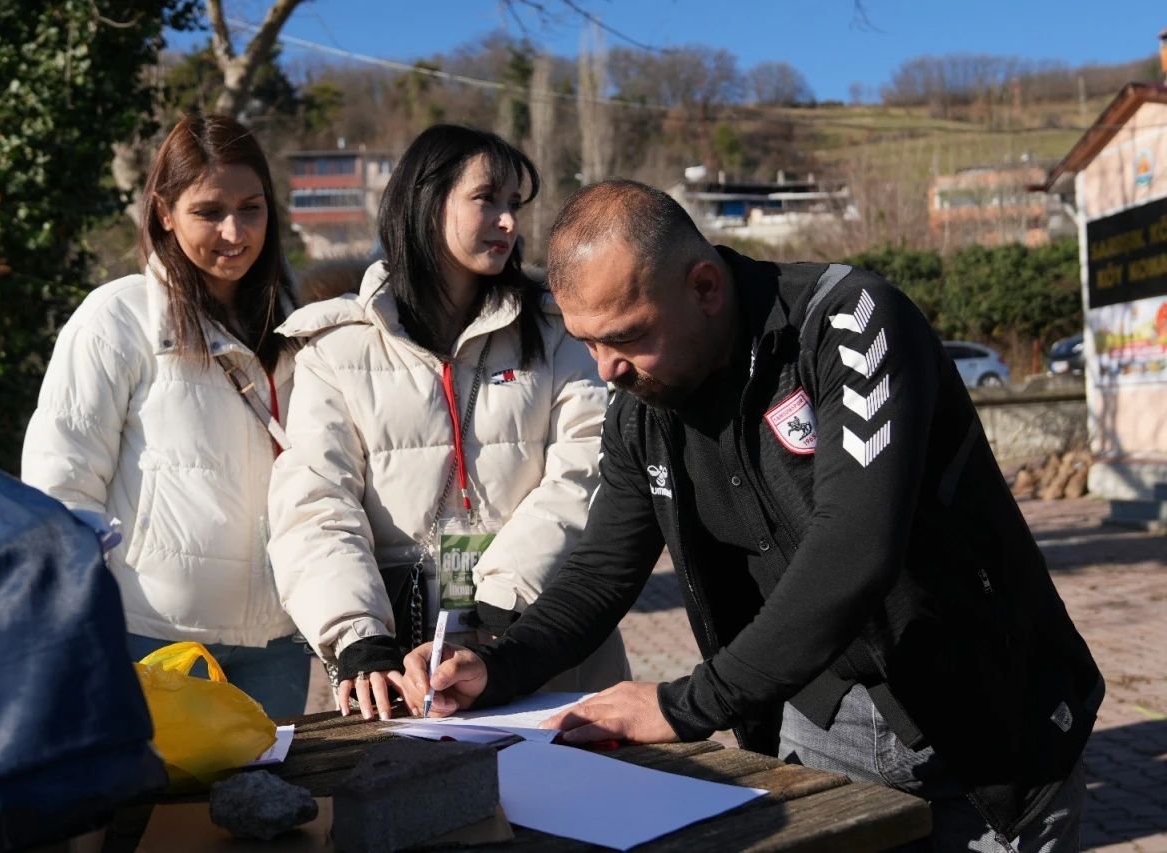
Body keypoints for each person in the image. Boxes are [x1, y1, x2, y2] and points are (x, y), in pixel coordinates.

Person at [403, 179, 1103, 852]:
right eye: (588, 343)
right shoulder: (640, 405)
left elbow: (853, 550)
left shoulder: (850, 324)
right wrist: (500, 665)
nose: (606, 368)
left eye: (625, 335)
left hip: (986, 723)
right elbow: (602, 570)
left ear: (704, 288)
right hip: (820, 728)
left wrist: (683, 705)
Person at [267, 125, 629, 722]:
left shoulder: (559, 328)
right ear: (425, 200)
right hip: (406, 670)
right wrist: (359, 638)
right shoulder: (336, 348)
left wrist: (499, 608)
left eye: (515, 204)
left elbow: (587, 472)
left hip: (542, 643)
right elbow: (314, 502)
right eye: (487, 199)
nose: (510, 222)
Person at [21, 114, 309, 719]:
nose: (234, 231)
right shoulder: (117, 318)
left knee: (274, 807)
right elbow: (61, 484)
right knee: (156, 813)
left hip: (278, 639)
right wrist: (86, 615)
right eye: (208, 211)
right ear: (164, 213)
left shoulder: (298, 324)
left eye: (251, 208)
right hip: (153, 640)